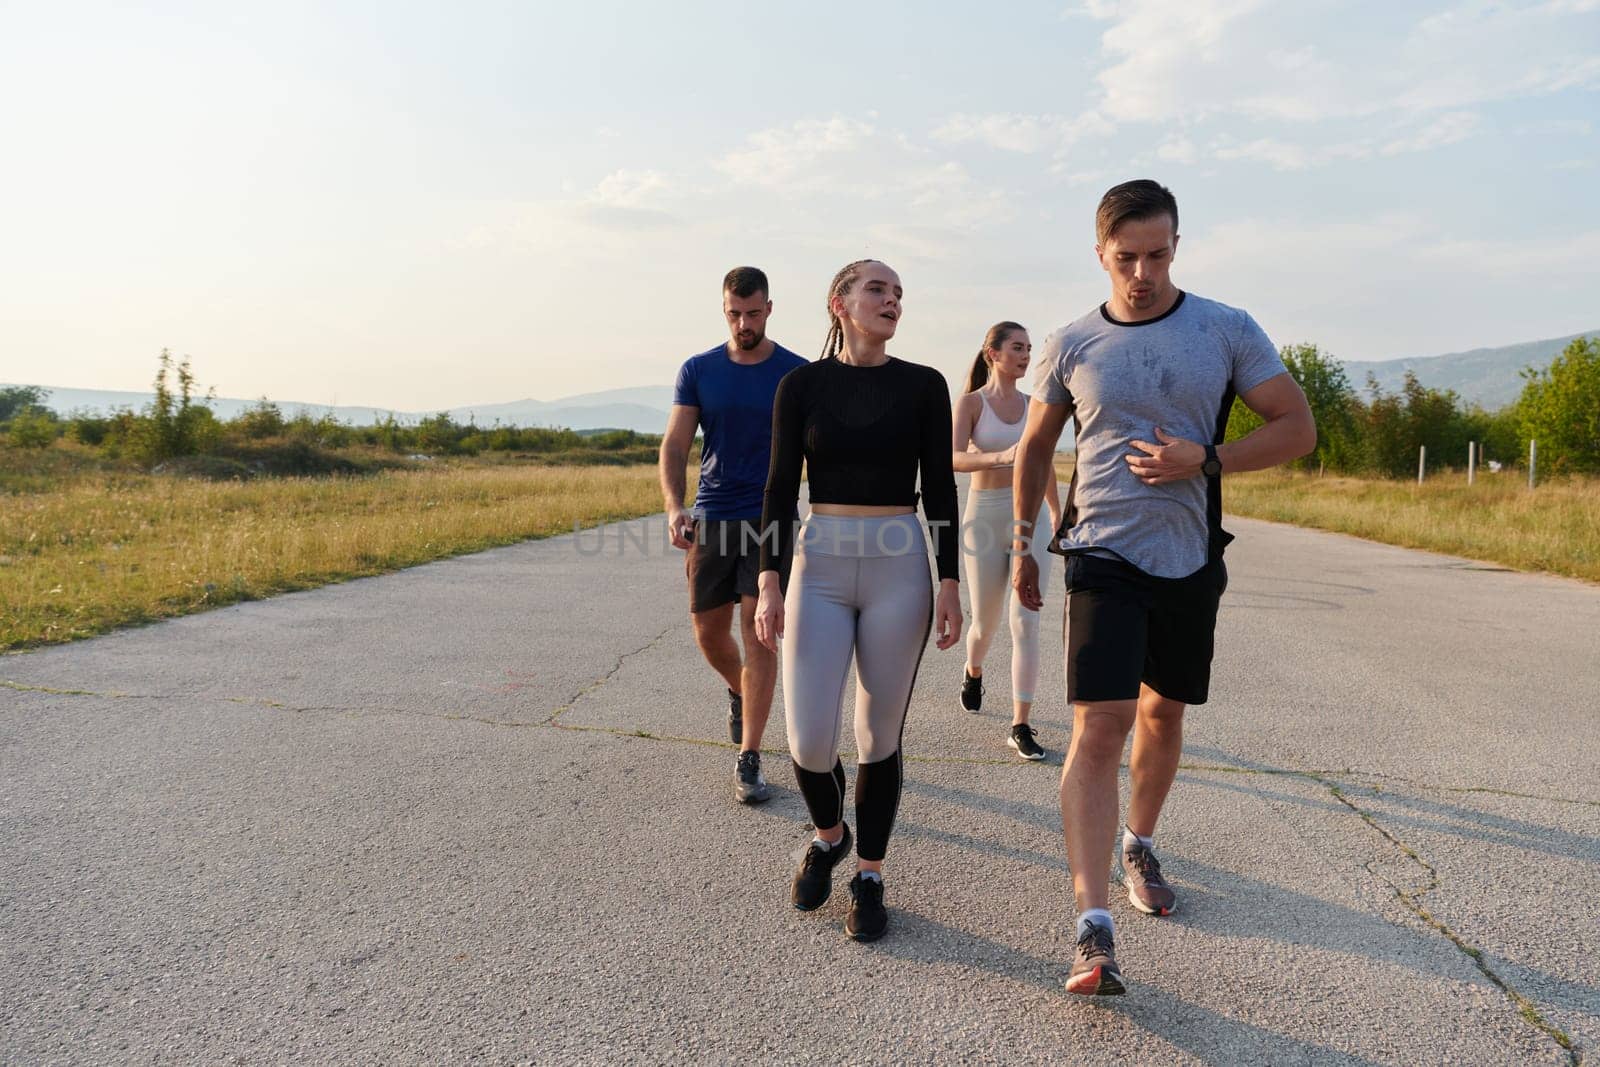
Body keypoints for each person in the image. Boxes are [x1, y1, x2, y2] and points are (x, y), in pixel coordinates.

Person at [1011, 180, 1315, 995]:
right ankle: (1092, 927)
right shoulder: (1071, 342)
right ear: (1099, 253)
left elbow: (1297, 425)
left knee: (1162, 711)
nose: (1141, 271)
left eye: (1156, 253)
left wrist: (1206, 458)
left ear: (1176, 245)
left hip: (1188, 553)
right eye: (1125, 257)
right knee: (1099, 727)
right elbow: (1035, 449)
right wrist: (1024, 545)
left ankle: (1138, 838)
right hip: (1100, 551)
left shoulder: (1225, 327)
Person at [753, 259, 961, 942]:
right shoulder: (801, 385)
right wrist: (768, 579)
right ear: (838, 302)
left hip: (900, 566)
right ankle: (828, 834)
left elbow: (942, 492)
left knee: (877, 737)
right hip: (820, 565)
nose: (892, 299)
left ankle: (869, 873)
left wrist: (952, 579)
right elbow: (781, 488)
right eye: (878, 288)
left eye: (900, 292)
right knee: (808, 739)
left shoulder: (924, 385)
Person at [659, 266, 807, 804]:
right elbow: (675, 446)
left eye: (752, 313)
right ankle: (741, 691)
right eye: (733, 314)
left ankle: (749, 756)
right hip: (713, 514)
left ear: (770, 308)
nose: (743, 323)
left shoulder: (796, 372)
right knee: (707, 631)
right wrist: (676, 506)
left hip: (772, 518)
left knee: (759, 628)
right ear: (724, 310)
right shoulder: (698, 369)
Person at [951, 322, 1062, 760]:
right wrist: (1001, 456)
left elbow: (1044, 464)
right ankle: (973, 669)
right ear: (992, 353)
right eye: (1017, 347)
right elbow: (954, 458)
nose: (1025, 355)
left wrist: (1056, 511)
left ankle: (1020, 723)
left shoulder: (1037, 406)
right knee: (986, 622)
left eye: (1029, 349)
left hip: (1030, 520)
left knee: (1026, 623)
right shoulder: (971, 404)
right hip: (985, 515)